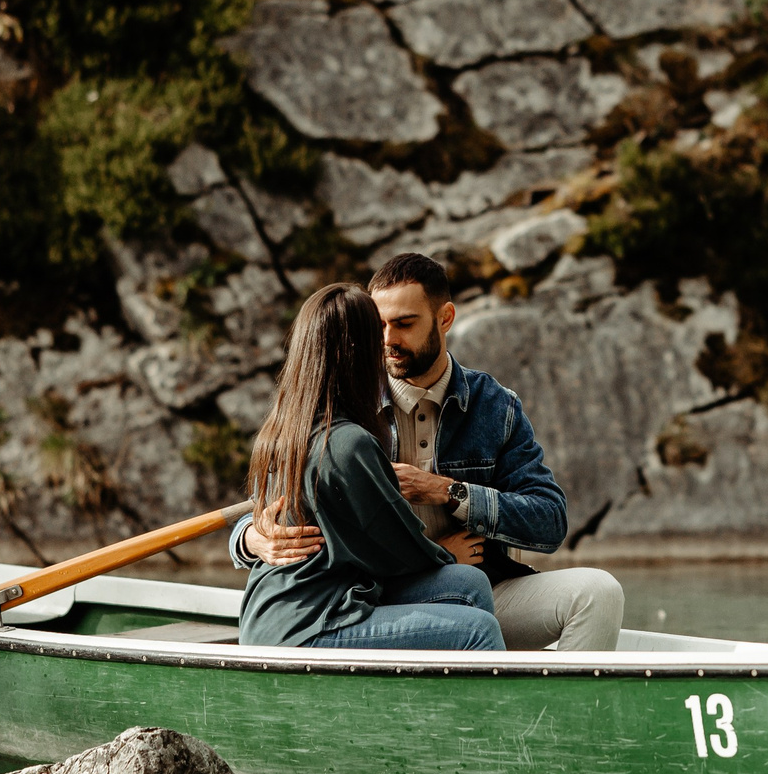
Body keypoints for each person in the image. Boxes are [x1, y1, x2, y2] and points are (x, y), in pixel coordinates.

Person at [237, 253, 624, 651]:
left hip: (464, 582)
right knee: (471, 618)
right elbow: (270, 506)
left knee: (598, 592)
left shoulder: (494, 406)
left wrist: (449, 491)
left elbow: (549, 521)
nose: (388, 340)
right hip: (377, 590)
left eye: (404, 324)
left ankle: (563, 711)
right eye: (379, 327)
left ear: (445, 318)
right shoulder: (344, 409)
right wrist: (253, 539)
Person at [237, 282, 504, 651]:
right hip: (308, 625)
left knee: (468, 585)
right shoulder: (348, 444)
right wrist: (447, 553)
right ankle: (490, 709)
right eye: (375, 334)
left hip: (289, 608)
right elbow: (394, 547)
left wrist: (248, 533)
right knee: (477, 630)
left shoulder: (285, 430)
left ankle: (439, 706)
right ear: (357, 353)